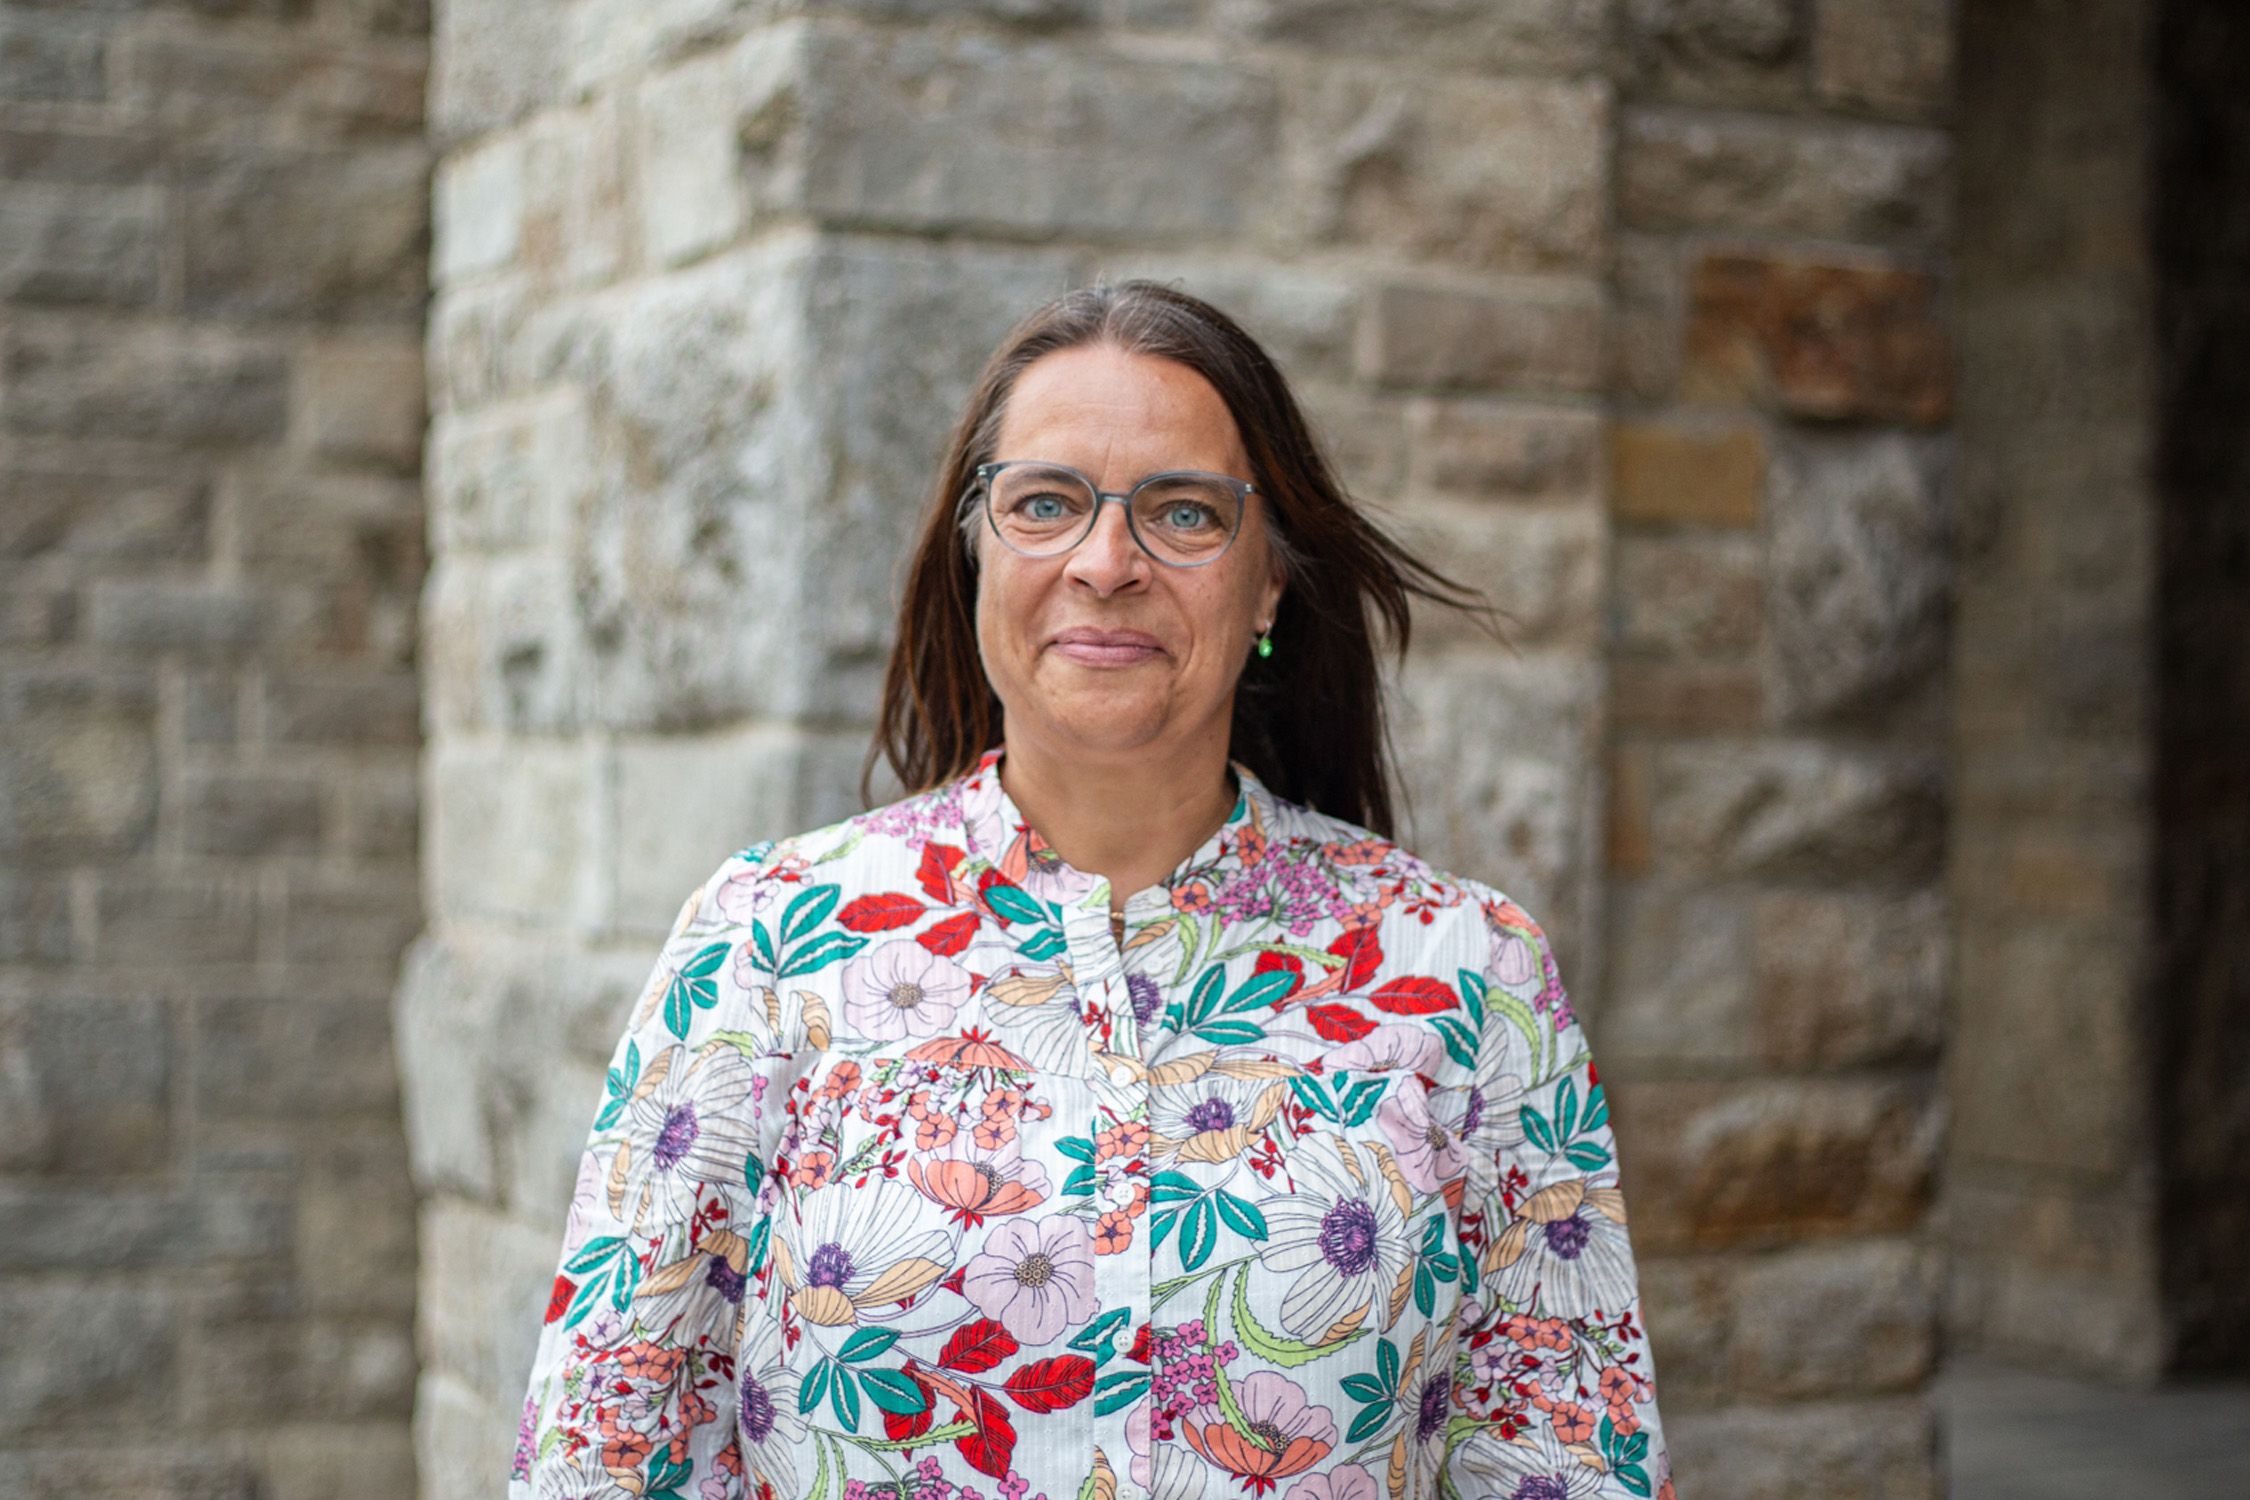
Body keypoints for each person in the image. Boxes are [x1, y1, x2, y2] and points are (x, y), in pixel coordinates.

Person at [510, 280, 1677, 1500]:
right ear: (975, 553)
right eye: (1045, 504)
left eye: (1184, 513)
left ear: (1270, 582)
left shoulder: (1466, 973)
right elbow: (604, 1457)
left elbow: (1567, 1465)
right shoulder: (766, 944)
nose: (1106, 563)